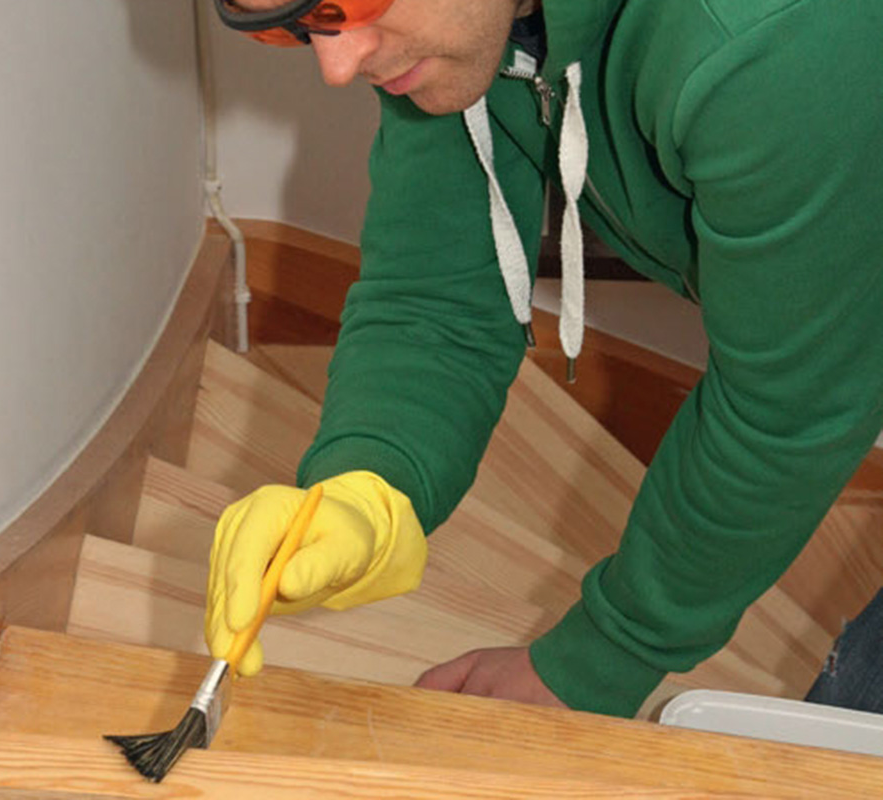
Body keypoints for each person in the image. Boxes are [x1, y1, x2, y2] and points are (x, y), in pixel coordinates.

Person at [202, 0, 883, 717]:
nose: (337, 65)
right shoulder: (461, 30)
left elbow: (783, 412)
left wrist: (604, 655)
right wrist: (366, 487)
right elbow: (435, 296)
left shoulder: (776, 38)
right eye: (298, 23)